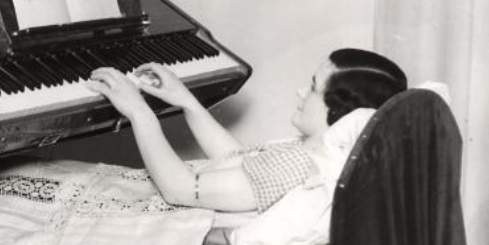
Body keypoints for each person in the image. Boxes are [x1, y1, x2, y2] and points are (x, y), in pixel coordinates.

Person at [84, 48, 409, 215]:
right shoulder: (312, 154)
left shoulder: (300, 167)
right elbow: (236, 160)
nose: (300, 93)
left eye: (312, 89)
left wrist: (138, 111)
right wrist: (186, 100)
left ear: (339, 114)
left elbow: (181, 190)